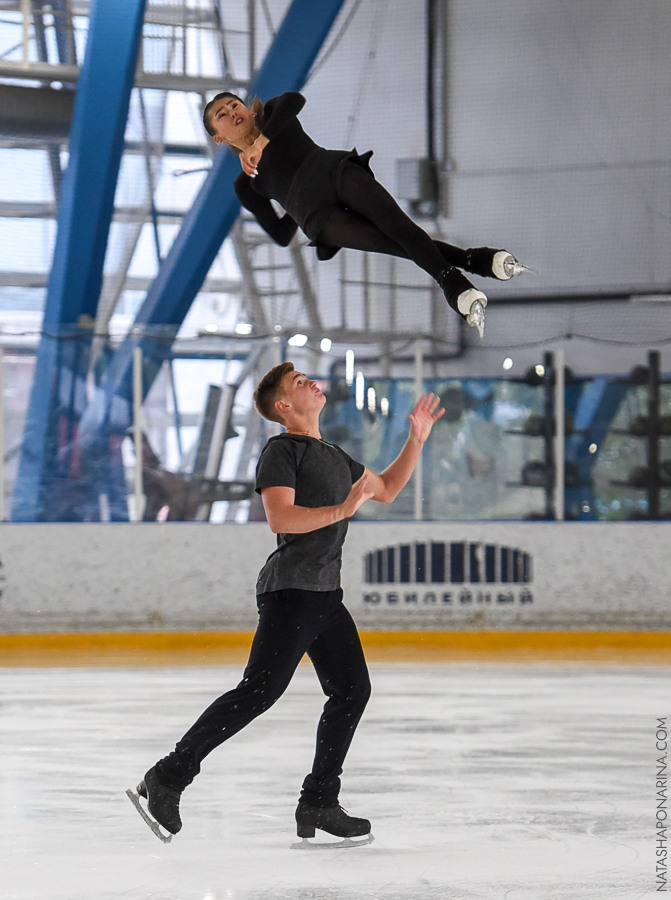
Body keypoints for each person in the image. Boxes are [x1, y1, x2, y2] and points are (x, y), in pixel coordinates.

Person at [129, 361, 444, 844]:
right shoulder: (282, 450)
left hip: (324, 596)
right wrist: (340, 510)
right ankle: (167, 776)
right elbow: (281, 517)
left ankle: (318, 801)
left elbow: (387, 489)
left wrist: (417, 439)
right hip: (292, 591)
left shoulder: (335, 454)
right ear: (284, 407)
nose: (312, 383)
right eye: (300, 383)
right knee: (259, 691)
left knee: (351, 691)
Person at [202, 90, 532, 337]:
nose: (232, 112)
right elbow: (279, 233)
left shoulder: (274, 114)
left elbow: (295, 99)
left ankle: (456, 283)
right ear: (219, 137)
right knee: (391, 243)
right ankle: (473, 261)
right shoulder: (245, 185)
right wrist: (294, 205)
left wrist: (261, 143)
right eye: (221, 114)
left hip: (333, 172)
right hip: (317, 216)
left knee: (398, 226)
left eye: (234, 104)